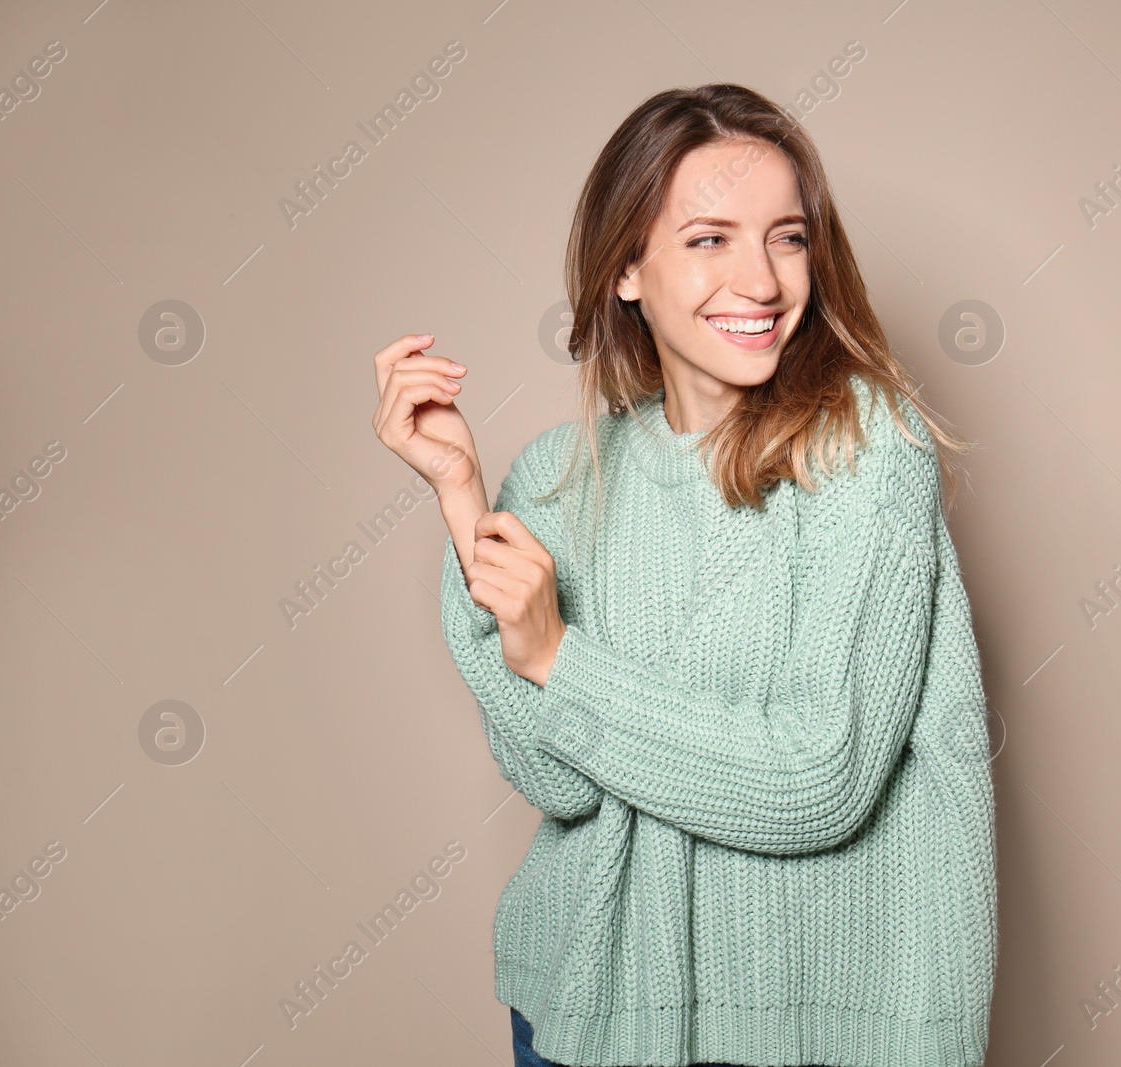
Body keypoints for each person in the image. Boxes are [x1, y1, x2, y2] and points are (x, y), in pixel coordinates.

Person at [372, 82, 997, 1067]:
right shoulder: (556, 475)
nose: (761, 277)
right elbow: (558, 780)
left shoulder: (867, 453)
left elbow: (814, 778)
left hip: (814, 1030)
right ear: (627, 267)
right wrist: (461, 496)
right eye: (709, 238)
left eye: (787, 237)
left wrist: (560, 657)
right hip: (581, 1010)